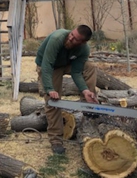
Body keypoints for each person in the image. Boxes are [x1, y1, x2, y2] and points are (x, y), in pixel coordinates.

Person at [35, 25, 98, 154]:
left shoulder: (84, 50)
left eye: (75, 39)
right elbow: (47, 65)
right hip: (49, 66)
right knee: (52, 101)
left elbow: (76, 72)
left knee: (90, 67)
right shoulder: (57, 38)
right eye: (71, 35)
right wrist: (50, 89)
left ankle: (88, 103)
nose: (70, 38)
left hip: (66, 63)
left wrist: (85, 90)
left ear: (83, 42)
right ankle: (56, 139)